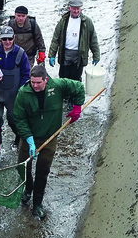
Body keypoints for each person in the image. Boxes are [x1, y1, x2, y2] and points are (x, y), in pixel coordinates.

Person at [13, 64, 86, 219]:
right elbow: (19, 119)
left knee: (42, 172)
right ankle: (27, 189)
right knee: (23, 167)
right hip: (29, 138)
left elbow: (79, 87)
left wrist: (77, 107)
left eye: (38, 82)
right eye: (32, 82)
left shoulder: (58, 86)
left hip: (49, 138)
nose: (35, 85)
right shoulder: (23, 93)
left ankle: (37, 203)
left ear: (46, 80)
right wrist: (28, 138)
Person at [0, 25, 30, 167]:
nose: (7, 41)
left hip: (13, 94)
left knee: (13, 120)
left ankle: (18, 138)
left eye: (10, 39)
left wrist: (20, 92)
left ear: (14, 38)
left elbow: (25, 75)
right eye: (4, 39)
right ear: (0, 39)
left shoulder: (21, 54)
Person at [48, 0, 100, 82]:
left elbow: (93, 40)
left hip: (80, 54)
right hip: (65, 53)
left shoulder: (87, 22)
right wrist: (51, 55)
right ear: (69, 8)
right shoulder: (63, 21)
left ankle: (75, 94)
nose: (76, 11)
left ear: (81, 8)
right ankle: (64, 95)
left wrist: (96, 55)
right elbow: (55, 39)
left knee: (76, 78)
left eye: (78, 9)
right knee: (63, 78)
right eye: (74, 9)